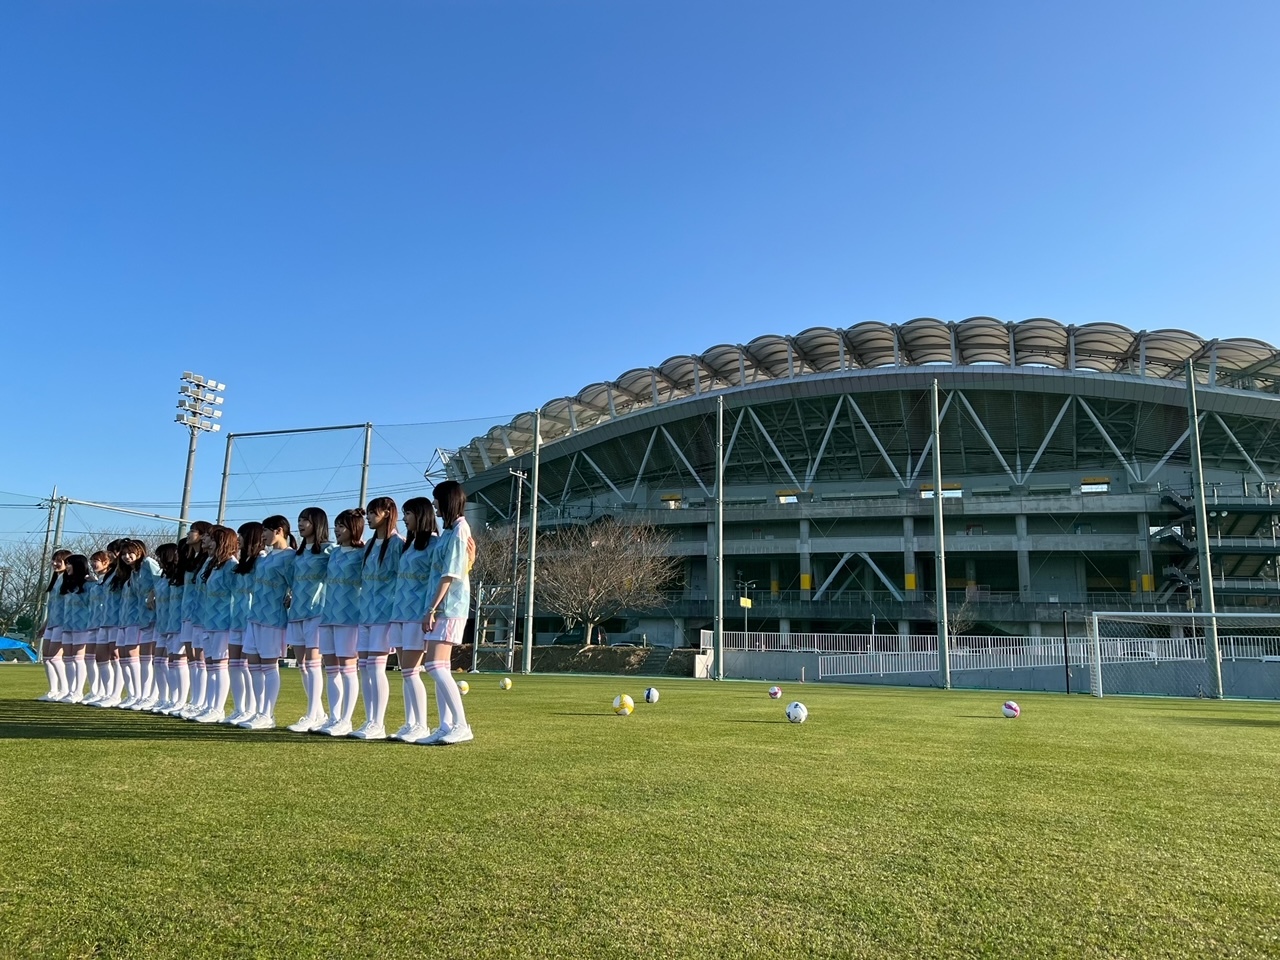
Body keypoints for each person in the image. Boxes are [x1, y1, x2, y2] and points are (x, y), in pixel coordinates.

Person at [418, 480, 475, 745]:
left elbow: (450, 574)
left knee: (434, 665)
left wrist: (432, 609)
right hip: (441, 607)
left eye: (436, 499)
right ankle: (445, 725)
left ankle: (461, 725)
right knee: (438, 665)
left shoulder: (461, 529)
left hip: (449, 608)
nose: (434, 505)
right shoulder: (450, 531)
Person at [388, 497, 438, 742]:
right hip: (399, 613)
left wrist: (431, 610)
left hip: (417, 614)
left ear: (422, 515)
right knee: (405, 671)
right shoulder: (408, 545)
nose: (404, 518)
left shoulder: (434, 544)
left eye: (408, 513)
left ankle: (422, 725)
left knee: (411, 670)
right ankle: (410, 723)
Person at [240, 515, 295, 730]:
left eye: (266, 531)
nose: (262, 535)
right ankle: (257, 711)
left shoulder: (290, 557)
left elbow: (295, 583)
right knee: (253, 665)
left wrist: (291, 596)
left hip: (273, 618)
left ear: (279, 531)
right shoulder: (264, 557)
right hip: (255, 617)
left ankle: (268, 714)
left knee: (269, 666)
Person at [353, 496, 401, 740]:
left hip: (384, 615)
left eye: (375, 513)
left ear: (387, 513)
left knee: (376, 669)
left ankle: (378, 722)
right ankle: (369, 719)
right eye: (369, 513)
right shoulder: (370, 544)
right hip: (366, 614)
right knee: (363, 667)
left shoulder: (397, 543)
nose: (370, 518)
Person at [316, 508, 365, 736]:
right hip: (329, 615)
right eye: (336, 525)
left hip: (349, 617)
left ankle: (346, 719)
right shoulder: (333, 553)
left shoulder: (362, 553)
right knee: (331, 669)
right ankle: (334, 717)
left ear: (354, 528)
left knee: (348, 669)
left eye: (342, 526)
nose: (337, 530)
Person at [286, 507, 333, 733]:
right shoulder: (298, 553)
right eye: (299, 520)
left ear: (318, 523)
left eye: (306, 520)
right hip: (296, 613)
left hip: (317, 612)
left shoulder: (328, 550)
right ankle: (319, 713)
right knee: (303, 665)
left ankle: (312, 714)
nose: (301, 524)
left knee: (313, 664)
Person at [194, 526, 239, 724]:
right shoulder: (212, 564)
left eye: (212, 539)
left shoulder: (231, 565)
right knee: (211, 665)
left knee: (220, 666)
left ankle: (218, 709)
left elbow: (235, 595)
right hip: (208, 620)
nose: (208, 542)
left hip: (223, 622)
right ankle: (210, 706)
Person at [225, 522, 263, 725]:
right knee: (235, 664)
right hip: (237, 617)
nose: (238, 539)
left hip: (252, 618)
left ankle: (253, 709)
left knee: (249, 665)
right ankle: (240, 708)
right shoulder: (242, 563)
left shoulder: (261, 560)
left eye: (242, 535)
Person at [36, 550, 71, 702]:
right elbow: (52, 606)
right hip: (52, 623)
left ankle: (64, 690)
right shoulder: (56, 579)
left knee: (54, 657)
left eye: (59, 561)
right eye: (54, 560)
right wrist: (44, 625)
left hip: (63, 624)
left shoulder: (68, 580)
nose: (55, 563)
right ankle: (53, 690)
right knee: (47, 658)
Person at [57, 554, 92, 702]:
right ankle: (70, 690)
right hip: (68, 625)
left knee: (78, 658)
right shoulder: (67, 584)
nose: (67, 567)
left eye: (69, 564)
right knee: (68, 658)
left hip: (82, 626)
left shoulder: (89, 584)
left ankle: (78, 692)